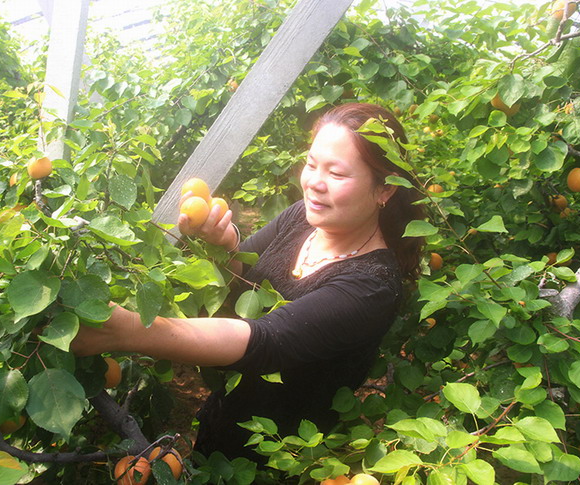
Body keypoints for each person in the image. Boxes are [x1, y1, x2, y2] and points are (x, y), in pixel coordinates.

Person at [70, 102, 424, 462]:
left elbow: (266, 339)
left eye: (336, 173)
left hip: (277, 455)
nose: (314, 183)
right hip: (226, 419)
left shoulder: (374, 285)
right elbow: (245, 275)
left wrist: (128, 330)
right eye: (312, 164)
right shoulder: (302, 218)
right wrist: (224, 244)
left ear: (384, 189)